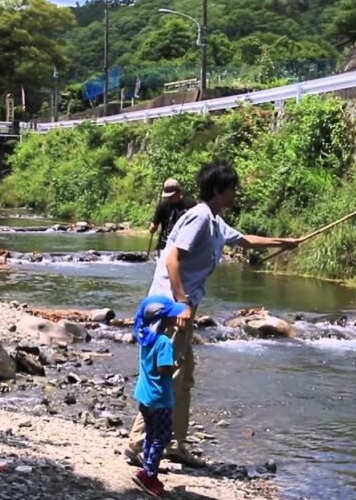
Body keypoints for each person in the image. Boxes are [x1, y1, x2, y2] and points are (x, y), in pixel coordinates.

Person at [125, 161, 301, 469]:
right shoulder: (199, 218)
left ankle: (174, 444)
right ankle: (138, 444)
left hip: (183, 308)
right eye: (232, 188)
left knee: (184, 378)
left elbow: (244, 240)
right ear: (218, 190)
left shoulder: (215, 221)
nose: (235, 193)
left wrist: (283, 243)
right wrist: (180, 303)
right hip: (170, 307)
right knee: (166, 375)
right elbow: (172, 259)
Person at [130, 295, 186, 498]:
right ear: (163, 320)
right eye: (172, 316)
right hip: (160, 398)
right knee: (161, 437)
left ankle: (146, 469)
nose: (175, 318)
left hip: (145, 396)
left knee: (151, 435)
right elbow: (163, 369)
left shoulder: (145, 336)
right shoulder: (163, 342)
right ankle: (149, 475)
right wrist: (175, 364)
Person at [150, 178, 195, 253]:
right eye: (167, 196)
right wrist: (152, 228)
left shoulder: (190, 204)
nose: (169, 198)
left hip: (183, 245)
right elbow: (154, 225)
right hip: (164, 244)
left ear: (179, 192)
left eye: (172, 196)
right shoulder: (163, 206)